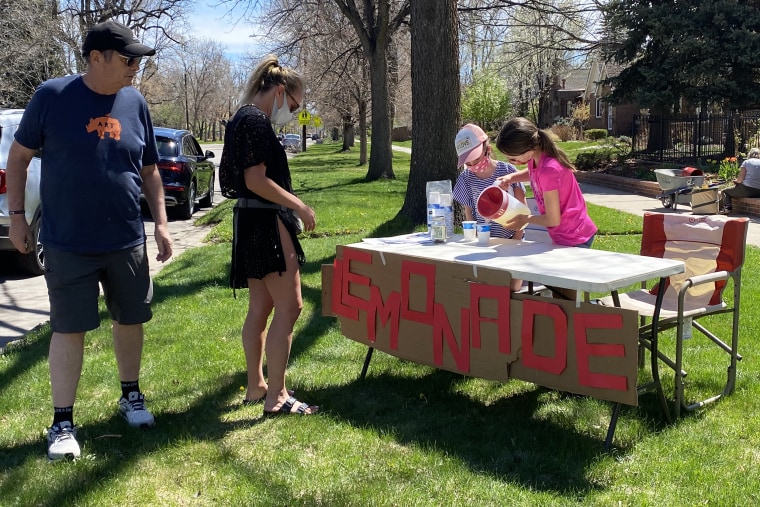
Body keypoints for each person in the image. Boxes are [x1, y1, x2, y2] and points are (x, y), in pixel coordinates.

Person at [5, 20, 172, 461]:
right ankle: (62, 423)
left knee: (130, 319)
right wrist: (18, 218)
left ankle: (131, 396)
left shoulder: (136, 102)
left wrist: (161, 222)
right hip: (67, 242)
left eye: (138, 59)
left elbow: (151, 169)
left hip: (125, 240)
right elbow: (18, 158)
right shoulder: (52, 97)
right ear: (95, 57)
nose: (136, 66)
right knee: (68, 329)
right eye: (128, 58)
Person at [219, 55, 318, 417]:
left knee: (260, 307)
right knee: (290, 306)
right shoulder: (257, 122)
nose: (291, 112)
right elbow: (255, 179)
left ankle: (256, 385)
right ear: (279, 91)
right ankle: (277, 395)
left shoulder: (241, 118)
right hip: (265, 221)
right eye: (292, 105)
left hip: (249, 221)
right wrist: (300, 206)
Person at [494, 117, 597, 248]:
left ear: (529, 150)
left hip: (575, 236)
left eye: (513, 158)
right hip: (566, 234)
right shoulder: (537, 158)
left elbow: (552, 219)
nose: (511, 162)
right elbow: (533, 172)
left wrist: (524, 219)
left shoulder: (549, 171)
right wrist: (511, 178)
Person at [452, 123, 526, 291]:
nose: (473, 166)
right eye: (468, 163)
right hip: (484, 243)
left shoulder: (508, 171)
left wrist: (516, 240)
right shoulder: (466, 178)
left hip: (511, 241)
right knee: (484, 286)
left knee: (511, 288)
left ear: (488, 150)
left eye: (476, 159)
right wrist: (477, 238)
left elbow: (523, 210)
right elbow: (468, 212)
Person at [721, 148, 760, 213]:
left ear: (749, 154)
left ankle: (728, 208)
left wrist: (736, 181)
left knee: (725, 191)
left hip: (747, 189)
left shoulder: (746, 162)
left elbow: (740, 180)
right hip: (758, 191)